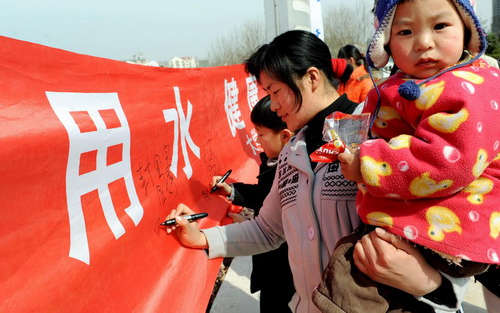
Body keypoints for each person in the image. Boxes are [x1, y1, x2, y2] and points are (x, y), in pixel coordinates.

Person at [164, 30, 471, 313]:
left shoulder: (376, 129)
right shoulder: (290, 154)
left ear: (311, 78)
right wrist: (202, 238)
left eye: (274, 91)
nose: (272, 106)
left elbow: (449, 221)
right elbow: (268, 230)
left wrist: (432, 284)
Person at [314, 0, 500, 312]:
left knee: (351, 278)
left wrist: (366, 163)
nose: (424, 42)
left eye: (441, 25)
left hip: (450, 222)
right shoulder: (397, 87)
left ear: (467, 28)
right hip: (418, 220)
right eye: (405, 32)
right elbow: (368, 125)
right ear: (385, 40)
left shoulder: (472, 87)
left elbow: (447, 160)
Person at [211, 94, 295, 312]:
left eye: (260, 134)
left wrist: (246, 223)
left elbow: (271, 218)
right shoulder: (276, 161)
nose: (256, 140)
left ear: (285, 136)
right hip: (272, 268)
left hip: (284, 270)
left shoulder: (293, 172)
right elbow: (264, 195)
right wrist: (232, 191)